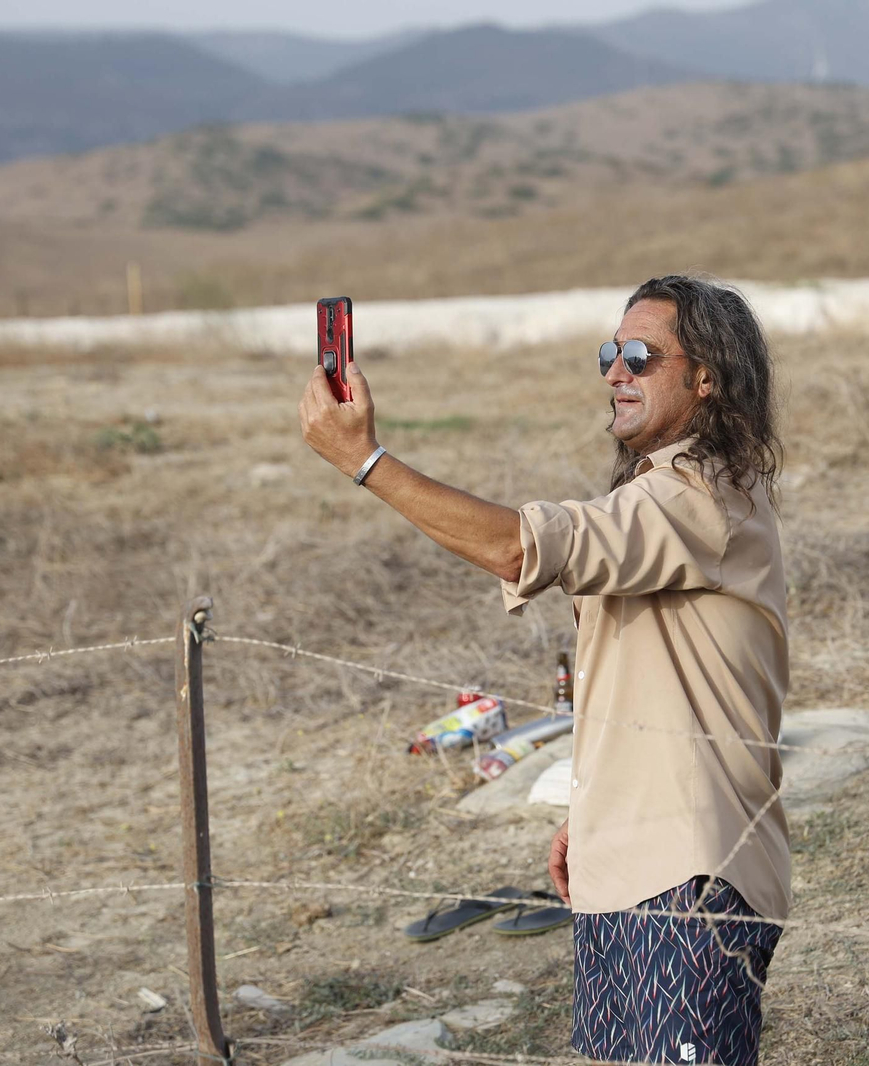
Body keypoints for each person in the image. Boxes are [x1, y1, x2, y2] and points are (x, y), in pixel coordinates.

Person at [299, 274, 789, 1066]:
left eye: (641, 355)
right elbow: (650, 679)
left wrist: (367, 463)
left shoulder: (702, 495)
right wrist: (593, 819)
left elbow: (522, 547)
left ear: (708, 376)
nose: (615, 373)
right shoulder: (665, 493)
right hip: (633, 867)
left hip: (692, 882)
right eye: (610, 353)